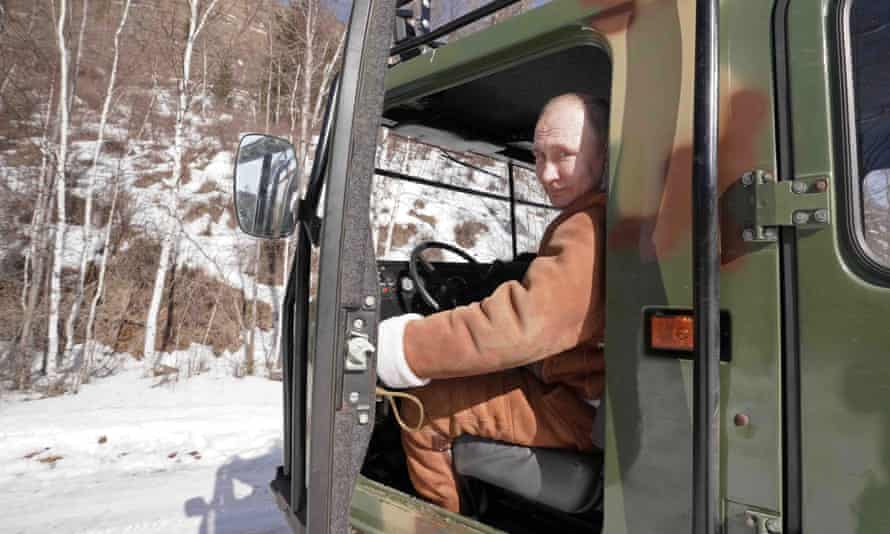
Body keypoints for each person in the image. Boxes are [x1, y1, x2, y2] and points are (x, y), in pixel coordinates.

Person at [376, 93, 609, 513]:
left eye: (564, 156)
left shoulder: (588, 225)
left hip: (577, 406)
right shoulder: (602, 215)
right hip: (581, 392)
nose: (546, 173)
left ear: (606, 154)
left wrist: (405, 347)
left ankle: (444, 522)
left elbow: (524, 325)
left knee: (421, 409)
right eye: (538, 157)